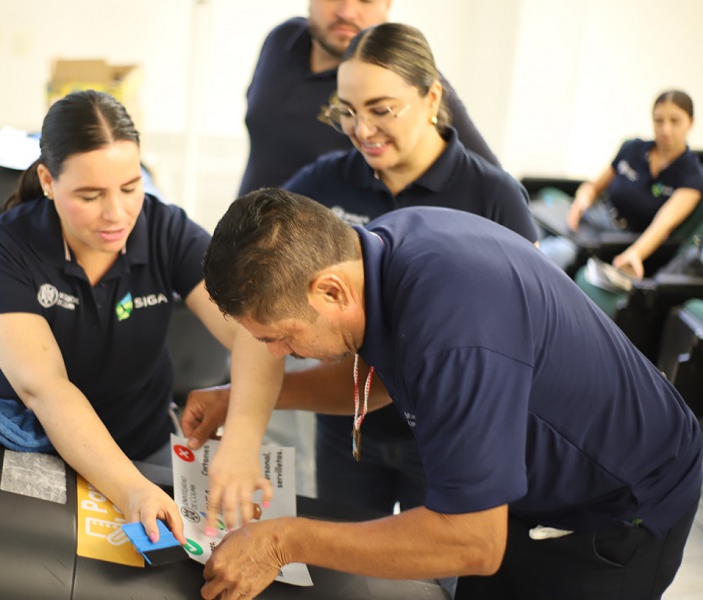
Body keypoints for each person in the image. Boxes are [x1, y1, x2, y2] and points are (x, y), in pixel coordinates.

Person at [193, 188, 702, 600]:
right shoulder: (380, 253)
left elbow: (473, 541)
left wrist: (283, 541)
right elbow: (388, 379)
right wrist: (247, 399)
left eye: (278, 335)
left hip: (620, 508)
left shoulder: (453, 328)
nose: (278, 353)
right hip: (524, 500)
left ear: (331, 291)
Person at [0, 90, 284, 545]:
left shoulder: (166, 230)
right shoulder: (1, 250)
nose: (117, 214)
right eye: (90, 195)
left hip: (139, 438)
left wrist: (242, 442)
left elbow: (254, 332)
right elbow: (47, 390)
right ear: (48, 181)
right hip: (26, 442)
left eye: (131, 188)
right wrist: (130, 489)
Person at [279, 22, 536, 533]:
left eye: (381, 110)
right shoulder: (322, 183)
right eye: (347, 112)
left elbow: (525, 331)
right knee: (344, 566)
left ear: (432, 97)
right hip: (346, 430)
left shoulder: (493, 197)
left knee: (433, 577)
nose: (362, 130)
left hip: (448, 434)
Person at [238, 0, 500, 196]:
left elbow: (490, 183)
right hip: (241, 242)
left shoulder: (405, 80)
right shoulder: (281, 41)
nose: (346, 12)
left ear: (387, 4)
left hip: (317, 258)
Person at [539, 90, 703, 278]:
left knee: (559, 251)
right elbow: (593, 187)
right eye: (659, 121)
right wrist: (580, 204)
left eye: (675, 121)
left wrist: (635, 253)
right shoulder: (632, 149)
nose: (665, 129)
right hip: (591, 218)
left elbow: (663, 225)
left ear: (691, 122)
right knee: (530, 225)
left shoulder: (692, 175)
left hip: (615, 239)